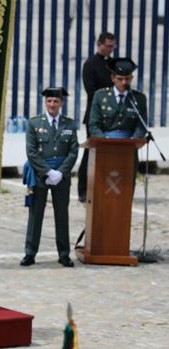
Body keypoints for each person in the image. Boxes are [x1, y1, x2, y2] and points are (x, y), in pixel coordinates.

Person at [20, 88, 79, 268]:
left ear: (61, 103)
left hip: (62, 175)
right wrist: (47, 172)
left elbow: (73, 151)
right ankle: (30, 253)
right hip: (40, 175)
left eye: (56, 101)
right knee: (35, 215)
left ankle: (64, 254)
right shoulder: (34, 123)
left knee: (62, 215)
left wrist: (60, 172)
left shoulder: (69, 124)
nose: (52, 105)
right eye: (49, 101)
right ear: (45, 103)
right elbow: (31, 152)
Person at [77, 32, 116, 202]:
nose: (110, 49)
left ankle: (105, 185)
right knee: (90, 153)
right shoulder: (90, 64)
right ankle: (83, 188)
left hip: (113, 117)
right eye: (108, 46)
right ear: (99, 44)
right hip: (95, 115)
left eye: (112, 46)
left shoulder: (113, 65)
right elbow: (91, 91)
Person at [88, 57, 147, 139]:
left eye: (127, 79)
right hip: (105, 143)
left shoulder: (138, 99)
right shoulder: (100, 96)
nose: (124, 82)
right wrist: (104, 139)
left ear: (131, 78)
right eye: (120, 79)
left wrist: (134, 139)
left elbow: (141, 126)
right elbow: (93, 125)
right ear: (113, 78)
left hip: (129, 144)